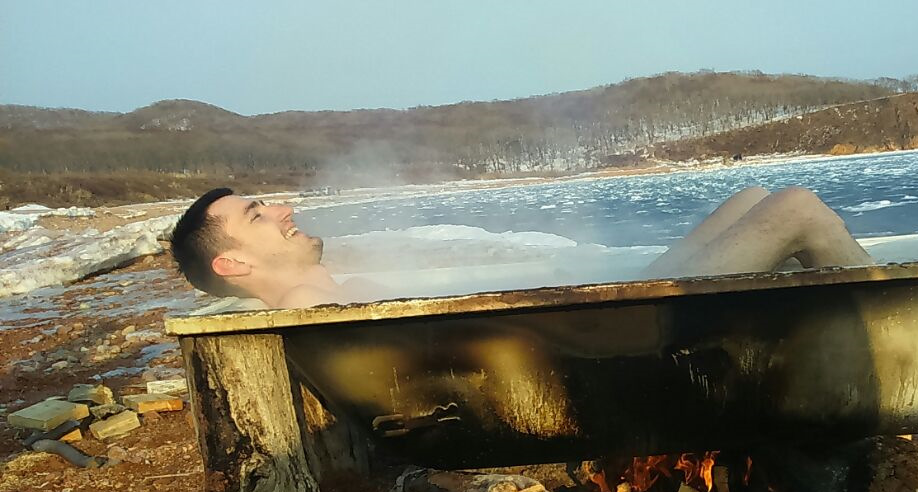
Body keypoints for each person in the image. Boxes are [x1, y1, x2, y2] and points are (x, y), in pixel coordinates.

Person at [169, 186, 874, 308]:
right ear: (234, 263)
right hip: (604, 345)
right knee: (796, 210)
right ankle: (897, 342)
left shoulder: (314, 288)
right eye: (259, 216)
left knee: (754, 205)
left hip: (593, 312)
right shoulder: (302, 298)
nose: (284, 209)